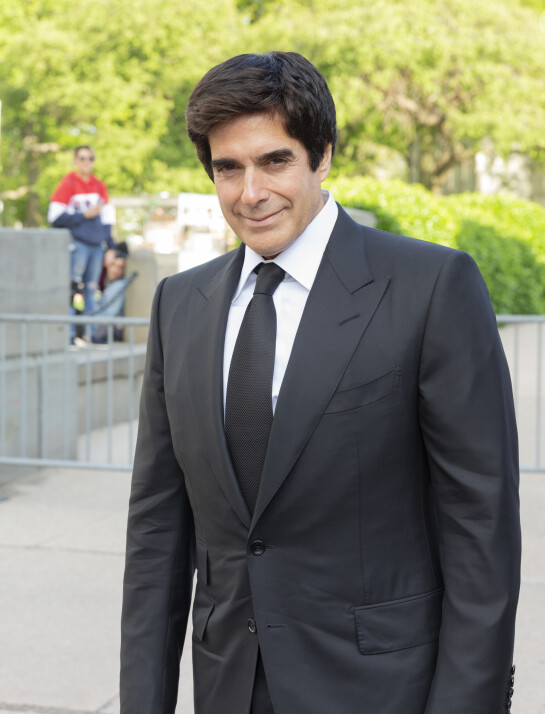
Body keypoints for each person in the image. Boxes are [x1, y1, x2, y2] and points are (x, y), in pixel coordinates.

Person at [120, 52, 520, 714]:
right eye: (228, 168)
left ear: (322, 156)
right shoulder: (178, 306)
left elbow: (480, 528)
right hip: (227, 686)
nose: (251, 192)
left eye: (274, 161)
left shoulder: (431, 287)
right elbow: (157, 531)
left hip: (381, 690)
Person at [48, 146, 116, 342]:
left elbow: (107, 218)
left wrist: (110, 246)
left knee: (91, 289)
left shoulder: (99, 185)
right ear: (76, 160)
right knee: (71, 288)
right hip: (77, 245)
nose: (86, 162)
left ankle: (92, 333)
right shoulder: (68, 183)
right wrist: (83, 215)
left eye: (90, 158)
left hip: (97, 245)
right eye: (82, 158)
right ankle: (68, 334)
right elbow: (55, 216)